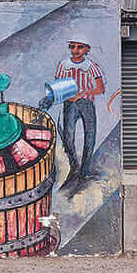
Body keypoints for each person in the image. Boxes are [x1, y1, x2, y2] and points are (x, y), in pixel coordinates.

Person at [52, 36, 105, 190]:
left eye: (79, 47)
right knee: (68, 137)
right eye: (73, 47)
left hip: (86, 104)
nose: (75, 50)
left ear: (87, 49)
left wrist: (81, 94)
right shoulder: (63, 65)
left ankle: (85, 171)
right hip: (69, 104)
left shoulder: (91, 66)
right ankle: (74, 165)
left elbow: (100, 89)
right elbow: (58, 84)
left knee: (90, 136)